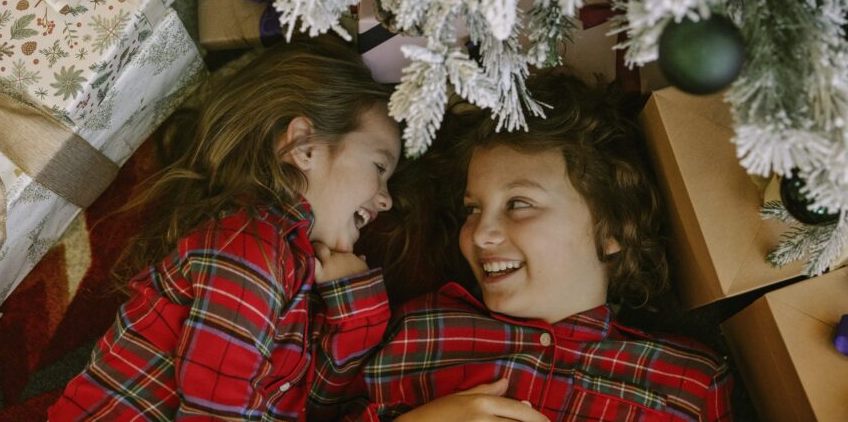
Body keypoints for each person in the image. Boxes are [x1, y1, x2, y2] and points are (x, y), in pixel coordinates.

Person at [311, 72, 734, 422]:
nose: (478, 234)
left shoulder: (687, 383)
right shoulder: (413, 329)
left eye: (518, 204)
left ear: (613, 230)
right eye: (472, 209)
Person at [48, 39, 402, 422]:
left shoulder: (289, 271)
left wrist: (355, 309)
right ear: (305, 146)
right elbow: (216, 406)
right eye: (380, 169)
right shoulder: (249, 247)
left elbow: (315, 403)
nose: (387, 201)